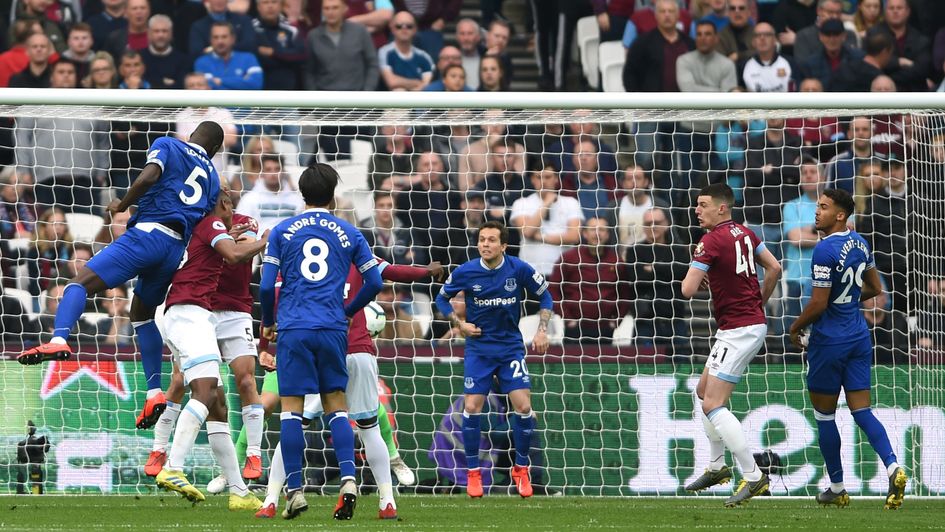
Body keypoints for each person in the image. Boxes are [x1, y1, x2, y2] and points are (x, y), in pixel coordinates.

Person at [17, 122, 224, 435]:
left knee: (78, 283)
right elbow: (199, 217)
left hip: (147, 235)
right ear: (216, 150)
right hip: (173, 249)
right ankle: (154, 391)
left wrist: (123, 204)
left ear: (193, 134)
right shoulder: (213, 177)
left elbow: (151, 175)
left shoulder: (169, 144)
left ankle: (59, 339)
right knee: (141, 316)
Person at [254, 255, 444, 520]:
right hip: (358, 350)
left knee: (294, 422)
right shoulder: (353, 245)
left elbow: (273, 290)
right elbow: (390, 272)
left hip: (320, 347)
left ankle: (271, 500)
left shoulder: (299, 250)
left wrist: (267, 333)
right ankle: (387, 502)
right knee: (369, 427)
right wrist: (426, 271)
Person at [258, 163, 383, 520]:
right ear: (332, 195)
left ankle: (294, 490)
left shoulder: (282, 231)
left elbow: (267, 286)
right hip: (332, 328)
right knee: (336, 405)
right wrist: (348, 310)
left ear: (301, 193)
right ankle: (347, 479)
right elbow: (374, 282)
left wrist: (268, 322)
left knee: (291, 411)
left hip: (294, 328)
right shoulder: (349, 232)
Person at [788, 188, 907, 509]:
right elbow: (876, 288)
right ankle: (894, 466)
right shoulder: (859, 242)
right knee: (862, 411)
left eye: (824, 208)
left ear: (840, 215)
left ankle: (838, 486)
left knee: (825, 417)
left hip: (829, 341)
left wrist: (795, 327)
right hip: (858, 335)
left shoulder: (824, 251)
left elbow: (818, 302)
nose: (817, 212)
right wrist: (851, 300)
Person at [153, 192, 268, 510]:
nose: (233, 207)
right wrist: (267, 240)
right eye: (227, 202)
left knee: (217, 401)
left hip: (187, 313)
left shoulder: (199, 227)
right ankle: (173, 466)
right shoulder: (209, 223)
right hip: (189, 313)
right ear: (219, 206)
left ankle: (238, 490)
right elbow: (233, 255)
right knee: (203, 391)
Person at [434, 221, 553, 499]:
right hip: (479, 349)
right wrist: (459, 323)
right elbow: (441, 300)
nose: (485, 244)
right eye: (482, 240)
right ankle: (473, 473)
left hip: (510, 347)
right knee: (472, 407)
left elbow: (546, 297)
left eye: (491, 240)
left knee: (524, 407)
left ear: (503, 245)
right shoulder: (466, 271)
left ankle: (521, 468)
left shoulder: (518, 269)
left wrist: (542, 330)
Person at [680, 183, 781, 507]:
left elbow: (687, 290)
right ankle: (717, 466)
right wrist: (758, 303)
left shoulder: (709, 242)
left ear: (722, 207)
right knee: (702, 390)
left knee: (712, 403)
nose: (697, 210)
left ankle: (753, 476)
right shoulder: (746, 233)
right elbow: (775, 268)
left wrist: (699, 263)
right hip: (742, 326)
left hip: (739, 330)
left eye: (703, 204)